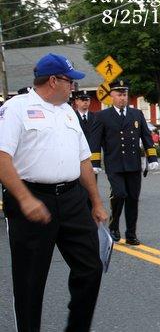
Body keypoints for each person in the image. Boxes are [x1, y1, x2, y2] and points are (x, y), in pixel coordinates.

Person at [0, 53, 108, 332]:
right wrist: (24, 198)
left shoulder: (68, 111)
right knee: (30, 282)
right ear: (52, 81)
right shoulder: (16, 108)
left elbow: (84, 159)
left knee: (91, 268)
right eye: (69, 81)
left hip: (73, 198)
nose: (73, 86)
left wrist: (96, 201)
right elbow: (2, 157)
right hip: (32, 198)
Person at [90, 78, 159, 245]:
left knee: (133, 199)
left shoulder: (136, 114)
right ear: (112, 95)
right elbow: (95, 141)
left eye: (125, 94)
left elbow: (146, 137)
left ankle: (131, 233)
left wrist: (152, 158)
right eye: (119, 94)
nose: (122, 97)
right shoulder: (102, 116)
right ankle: (114, 226)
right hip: (114, 164)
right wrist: (95, 163)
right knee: (120, 194)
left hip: (133, 164)